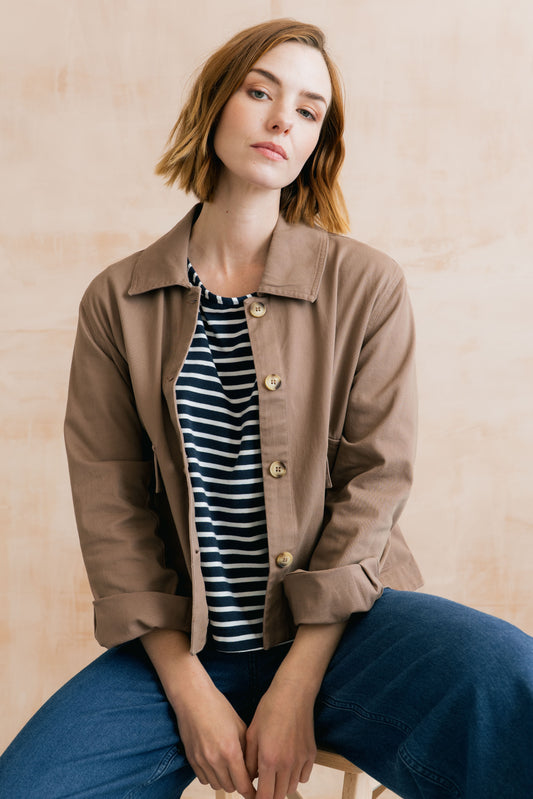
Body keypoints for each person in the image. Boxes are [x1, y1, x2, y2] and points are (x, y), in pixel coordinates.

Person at [1, 17, 532, 799]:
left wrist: (294, 684)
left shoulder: (365, 285)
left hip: (352, 630)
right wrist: (190, 694)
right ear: (216, 104)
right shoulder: (118, 299)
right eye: (261, 91)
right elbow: (111, 510)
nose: (284, 117)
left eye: (309, 109)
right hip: (186, 644)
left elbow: (374, 481)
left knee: (509, 678)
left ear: (318, 139)